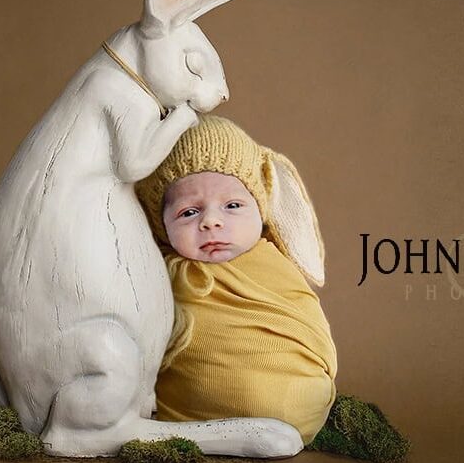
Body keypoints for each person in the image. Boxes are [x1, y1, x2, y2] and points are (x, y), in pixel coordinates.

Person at [135, 115, 337, 444]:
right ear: (161, 224)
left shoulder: (274, 265)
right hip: (192, 421)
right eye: (189, 212)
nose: (211, 221)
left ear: (261, 211)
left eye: (232, 205)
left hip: (300, 410)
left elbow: (312, 329)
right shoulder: (157, 272)